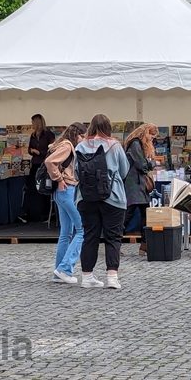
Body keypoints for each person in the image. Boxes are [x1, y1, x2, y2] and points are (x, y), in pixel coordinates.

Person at [76, 114, 129, 289]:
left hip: (85, 198)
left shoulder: (81, 146)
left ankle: (87, 276)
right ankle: (112, 277)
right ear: (108, 127)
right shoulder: (114, 145)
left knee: (89, 236)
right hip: (112, 197)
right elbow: (124, 170)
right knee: (113, 236)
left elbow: (76, 173)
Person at [45, 122, 87, 284]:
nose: (83, 140)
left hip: (61, 192)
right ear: (77, 135)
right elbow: (50, 162)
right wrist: (59, 178)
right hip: (68, 189)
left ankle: (59, 272)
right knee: (82, 229)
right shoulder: (68, 146)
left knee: (66, 233)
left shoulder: (61, 144)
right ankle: (65, 268)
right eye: (82, 136)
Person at [123, 123, 158, 253]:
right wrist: (153, 163)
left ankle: (145, 244)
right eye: (152, 136)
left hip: (137, 185)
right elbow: (142, 165)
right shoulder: (136, 144)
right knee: (129, 214)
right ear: (146, 133)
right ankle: (115, 243)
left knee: (144, 214)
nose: (152, 139)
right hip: (134, 185)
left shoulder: (135, 144)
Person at [21, 114, 56, 223]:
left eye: (32, 123)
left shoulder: (48, 135)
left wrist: (39, 152)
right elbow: (29, 150)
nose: (31, 125)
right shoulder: (33, 135)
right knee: (32, 189)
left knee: (44, 189)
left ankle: (46, 214)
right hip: (35, 164)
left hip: (45, 165)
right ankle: (32, 214)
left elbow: (52, 151)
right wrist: (32, 151)